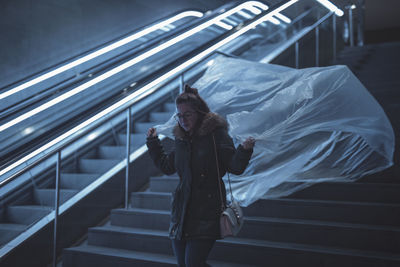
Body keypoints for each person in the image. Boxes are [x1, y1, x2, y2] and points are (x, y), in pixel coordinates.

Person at [146, 84, 255, 267]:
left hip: (206, 211)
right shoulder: (181, 139)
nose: (182, 120)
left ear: (200, 112)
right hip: (182, 212)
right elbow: (168, 167)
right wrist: (153, 143)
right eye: (179, 116)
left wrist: (244, 150)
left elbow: (235, 167)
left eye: (187, 114)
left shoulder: (216, 135)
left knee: (193, 264)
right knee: (185, 264)